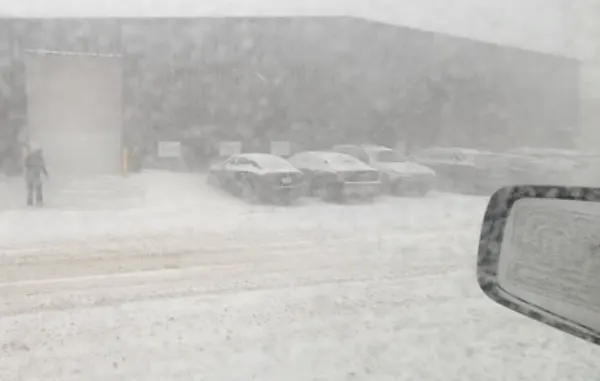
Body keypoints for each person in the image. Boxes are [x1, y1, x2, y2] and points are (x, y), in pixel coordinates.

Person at [24, 142, 48, 207]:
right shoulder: (39, 158)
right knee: (38, 187)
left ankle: (30, 201)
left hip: (29, 174)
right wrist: (46, 173)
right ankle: (39, 200)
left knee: (30, 188)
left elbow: (25, 164)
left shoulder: (29, 156)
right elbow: (42, 166)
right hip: (35, 174)